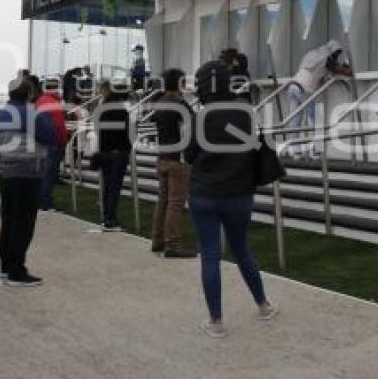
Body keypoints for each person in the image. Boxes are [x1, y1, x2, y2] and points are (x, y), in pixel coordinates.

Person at [185, 60, 278, 338]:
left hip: (204, 193)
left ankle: (216, 322)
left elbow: (188, 155)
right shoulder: (245, 112)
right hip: (238, 194)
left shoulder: (200, 116)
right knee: (242, 250)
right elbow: (255, 148)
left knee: (210, 255)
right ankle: (263, 306)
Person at [0, 77, 56, 286]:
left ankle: (6, 264)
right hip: (28, 173)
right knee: (24, 221)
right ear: (29, 94)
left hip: (6, 172)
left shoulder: (0, 115)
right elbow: (49, 135)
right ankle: (17, 271)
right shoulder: (31, 114)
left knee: (8, 218)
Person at [150, 69, 196, 258]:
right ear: (180, 84)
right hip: (178, 159)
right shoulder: (180, 104)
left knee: (163, 200)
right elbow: (191, 126)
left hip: (163, 156)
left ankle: (157, 239)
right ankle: (173, 243)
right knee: (175, 202)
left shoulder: (159, 103)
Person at [287, 40, 352, 158]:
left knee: (294, 121)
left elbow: (321, 76)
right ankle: (317, 150)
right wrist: (349, 70)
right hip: (304, 89)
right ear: (332, 51)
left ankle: (295, 151)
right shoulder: (326, 57)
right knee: (317, 119)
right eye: (336, 53)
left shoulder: (314, 54)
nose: (337, 56)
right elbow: (337, 68)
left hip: (293, 85)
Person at [95, 80, 132, 231]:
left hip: (105, 151)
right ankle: (110, 218)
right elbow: (127, 133)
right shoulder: (121, 110)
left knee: (107, 186)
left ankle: (106, 216)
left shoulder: (102, 108)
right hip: (118, 152)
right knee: (114, 187)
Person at [32, 77, 68, 211]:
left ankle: (41, 200)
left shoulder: (41, 101)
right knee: (49, 174)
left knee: (43, 174)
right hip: (52, 143)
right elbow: (58, 126)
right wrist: (62, 142)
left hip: (41, 142)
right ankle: (45, 202)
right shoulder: (53, 103)